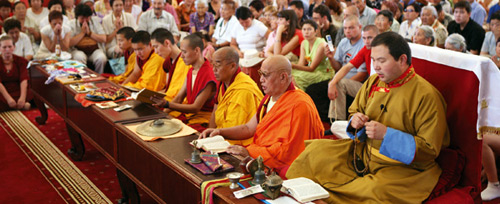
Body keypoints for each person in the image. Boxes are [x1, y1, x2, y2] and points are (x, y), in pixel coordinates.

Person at [286, 32, 450, 203]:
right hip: (363, 153)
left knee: (373, 190)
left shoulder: (426, 96)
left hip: (402, 169)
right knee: (315, 152)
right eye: (373, 60)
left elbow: (429, 150)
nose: (376, 66)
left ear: (402, 60)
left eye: (382, 61)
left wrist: (387, 134)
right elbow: (354, 111)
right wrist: (355, 122)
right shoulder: (373, 82)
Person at [199, 55, 324, 169]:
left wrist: (250, 152)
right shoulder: (269, 98)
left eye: (265, 75)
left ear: (283, 77)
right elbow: (249, 128)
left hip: (287, 169)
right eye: (260, 74)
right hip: (262, 157)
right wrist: (220, 132)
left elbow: (289, 151)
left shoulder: (299, 105)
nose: (261, 80)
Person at [200, 47, 263, 146]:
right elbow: (215, 111)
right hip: (220, 137)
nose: (214, 70)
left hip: (236, 143)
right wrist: (208, 139)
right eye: (213, 65)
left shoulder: (244, 90)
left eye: (218, 65)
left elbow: (243, 130)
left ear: (233, 66)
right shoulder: (223, 84)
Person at [151, 34, 216, 125]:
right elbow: (178, 98)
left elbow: (196, 108)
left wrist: (167, 104)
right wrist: (162, 114)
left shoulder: (208, 74)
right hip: (189, 116)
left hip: (202, 119)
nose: (181, 56)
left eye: (184, 52)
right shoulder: (191, 71)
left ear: (197, 50)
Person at [327, 25, 377, 122]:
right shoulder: (365, 49)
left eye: (370, 38)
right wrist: (332, 82)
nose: (366, 41)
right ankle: (337, 121)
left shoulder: (384, 49)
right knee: (338, 83)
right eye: (364, 38)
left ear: (378, 37)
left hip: (381, 89)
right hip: (368, 88)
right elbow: (347, 67)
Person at [150, 28, 190, 101]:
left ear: (167, 43)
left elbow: (180, 94)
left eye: (156, 47)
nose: (155, 52)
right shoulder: (168, 62)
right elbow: (168, 90)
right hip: (169, 100)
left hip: (177, 104)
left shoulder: (185, 62)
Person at [291, 20, 332, 90]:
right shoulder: (304, 43)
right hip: (311, 70)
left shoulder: (321, 45)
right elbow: (301, 64)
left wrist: (292, 65)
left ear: (316, 31)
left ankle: (299, 98)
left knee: (295, 79)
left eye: (309, 29)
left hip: (322, 72)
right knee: (288, 74)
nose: (306, 32)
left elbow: (312, 68)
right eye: (304, 29)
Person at [70, 4, 107, 74]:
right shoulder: (71, 24)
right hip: (78, 50)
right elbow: (69, 43)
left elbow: (104, 38)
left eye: (87, 18)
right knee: (79, 57)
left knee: (101, 58)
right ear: (77, 17)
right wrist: (82, 33)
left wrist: (90, 33)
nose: (84, 21)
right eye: (82, 18)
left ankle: (98, 76)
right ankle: (82, 77)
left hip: (94, 50)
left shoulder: (95, 21)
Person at [0, 35, 32, 111]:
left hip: (18, 89)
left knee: (32, 90)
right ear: (0, 48)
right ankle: (21, 106)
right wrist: (8, 99)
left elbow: (24, 80)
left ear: (14, 47)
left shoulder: (21, 61)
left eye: (10, 46)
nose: (7, 50)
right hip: (3, 91)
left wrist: (22, 98)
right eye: (4, 47)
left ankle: (18, 105)